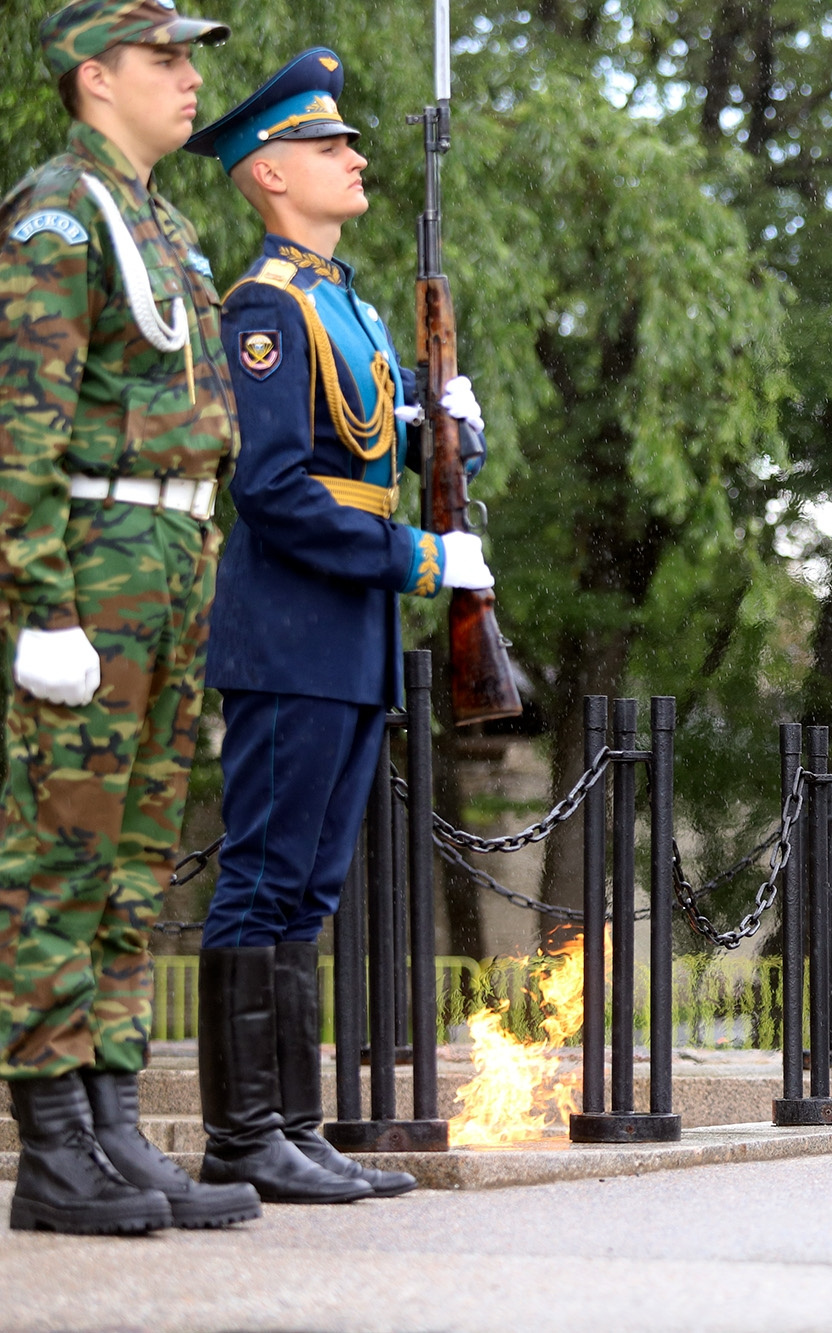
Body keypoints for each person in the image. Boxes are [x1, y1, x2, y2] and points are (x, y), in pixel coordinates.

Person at [180, 48, 494, 1204]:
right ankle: (241, 1136)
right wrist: (417, 554)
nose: (354, 158)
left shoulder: (346, 305)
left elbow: (371, 446)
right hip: (289, 626)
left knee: (307, 890)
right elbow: (271, 486)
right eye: (328, 146)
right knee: (263, 883)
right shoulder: (264, 307)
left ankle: (291, 1131)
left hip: (347, 635)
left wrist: (443, 426)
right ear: (267, 174)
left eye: (352, 143)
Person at [0, 0, 260, 1234]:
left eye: (189, 59)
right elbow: (21, 431)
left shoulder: (164, 221)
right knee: (60, 852)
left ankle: (112, 1129)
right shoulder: (60, 211)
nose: (187, 79)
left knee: (134, 862)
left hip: (171, 554)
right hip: (94, 562)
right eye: (164, 59)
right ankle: (53, 1148)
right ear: (94, 77)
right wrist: (40, 609)